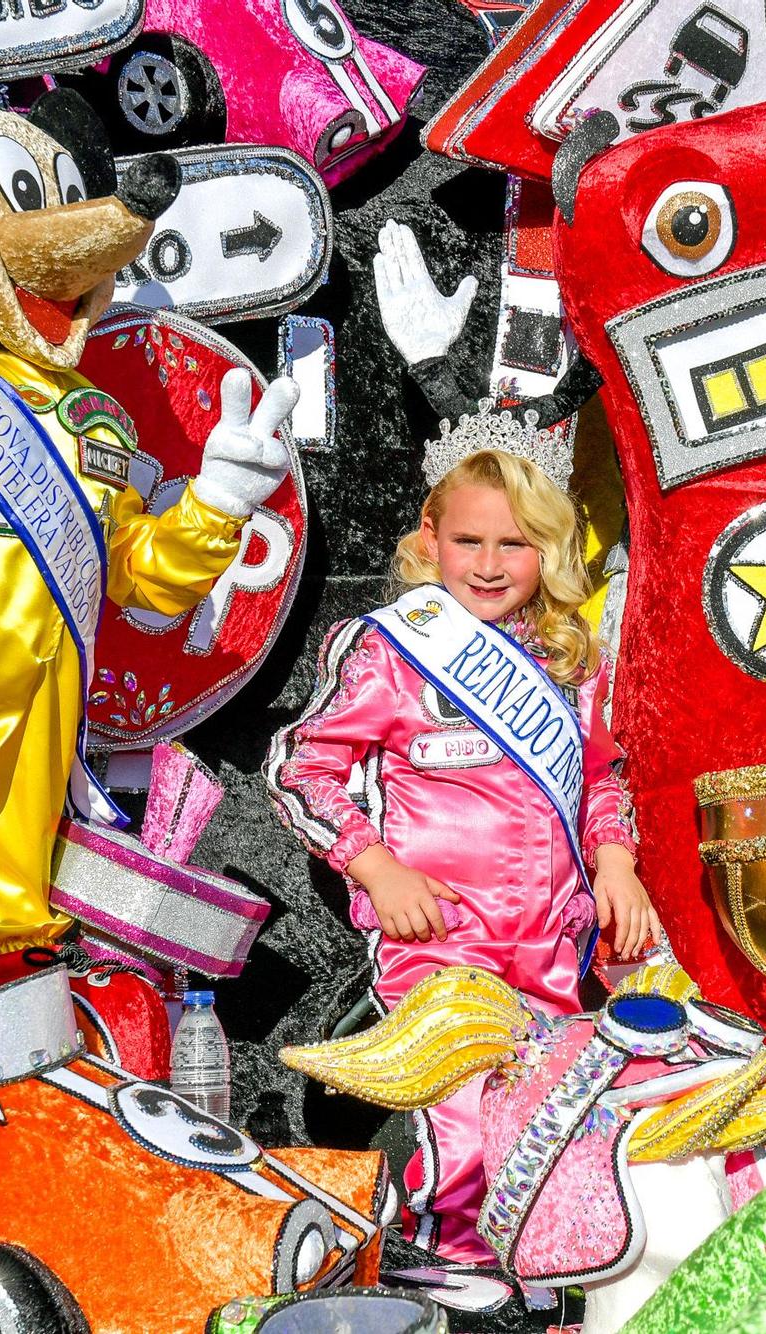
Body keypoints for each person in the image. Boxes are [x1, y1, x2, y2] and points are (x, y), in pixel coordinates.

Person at [266, 427, 655, 1262]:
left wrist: (617, 861)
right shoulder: (393, 651)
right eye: (468, 540)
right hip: (440, 944)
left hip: (556, 946)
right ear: (430, 537)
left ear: (548, 548)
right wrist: (377, 867)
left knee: (549, 1130)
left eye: (513, 543)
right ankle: (450, 1285)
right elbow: (299, 767)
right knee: (467, 1132)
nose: (487, 563)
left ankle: (538, 1288)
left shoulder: (570, 661)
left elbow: (602, 779)